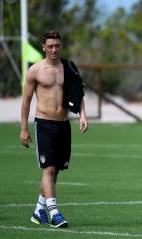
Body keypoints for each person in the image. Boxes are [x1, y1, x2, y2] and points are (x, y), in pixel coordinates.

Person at [20, 31, 88, 228]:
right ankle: (54, 213)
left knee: (55, 170)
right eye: (50, 46)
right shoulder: (35, 70)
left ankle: (38, 210)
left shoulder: (69, 67)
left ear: (61, 46)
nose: (54, 49)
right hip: (44, 124)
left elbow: (78, 92)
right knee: (48, 169)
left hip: (63, 124)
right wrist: (24, 128)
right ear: (43, 47)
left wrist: (82, 114)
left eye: (57, 45)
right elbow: (25, 103)